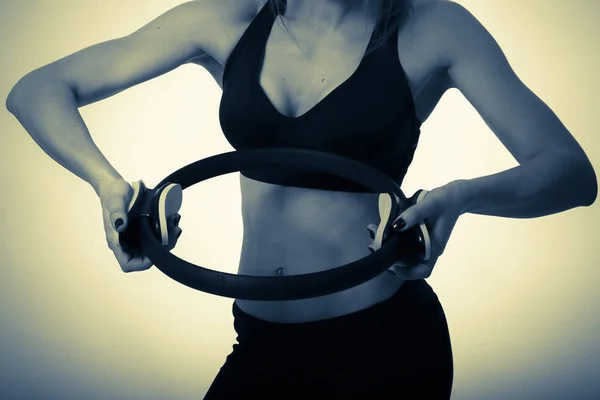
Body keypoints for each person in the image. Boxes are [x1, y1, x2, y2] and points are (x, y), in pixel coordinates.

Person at [5, 0, 597, 398]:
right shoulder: (227, 18)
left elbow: (570, 172)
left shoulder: (435, 26)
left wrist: (458, 196)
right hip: (260, 341)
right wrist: (109, 187)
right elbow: (37, 90)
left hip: (384, 348)